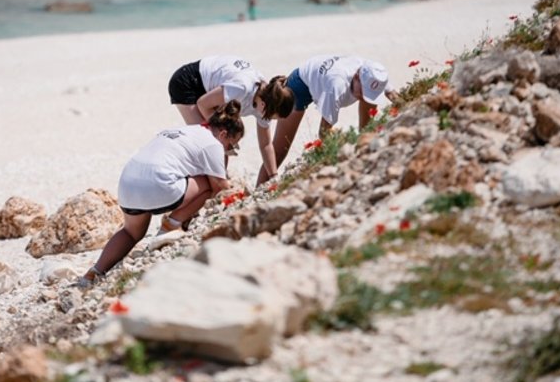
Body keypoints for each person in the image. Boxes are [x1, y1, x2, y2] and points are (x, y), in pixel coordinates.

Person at [73, 101, 245, 288]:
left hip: (127, 184)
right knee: (209, 182)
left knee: (131, 232)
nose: (228, 151)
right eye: (231, 146)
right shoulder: (212, 144)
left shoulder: (184, 130)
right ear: (223, 134)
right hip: (158, 186)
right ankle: (171, 224)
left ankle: (94, 272)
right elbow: (221, 187)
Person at [256, 54, 399, 184]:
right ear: (356, 77)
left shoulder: (374, 74)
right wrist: (344, 145)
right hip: (300, 84)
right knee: (280, 150)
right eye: (362, 92)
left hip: (324, 76)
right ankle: (259, 190)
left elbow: (397, 98)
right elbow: (324, 132)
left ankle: (365, 149)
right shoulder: (336, 86)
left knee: (369, 106)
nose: (363, 97)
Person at [168, 55, 295, 185]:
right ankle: (209, 187)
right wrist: (221, 132)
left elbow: (266, 145)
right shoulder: (242, 88)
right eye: (271, 117)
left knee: (224, 141)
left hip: (211, 90)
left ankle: (219, 184)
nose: (268, 120)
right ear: (264, 105)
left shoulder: (266, 100)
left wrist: (273, 177)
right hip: (188, 82)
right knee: (211, 142)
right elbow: (202, 104)